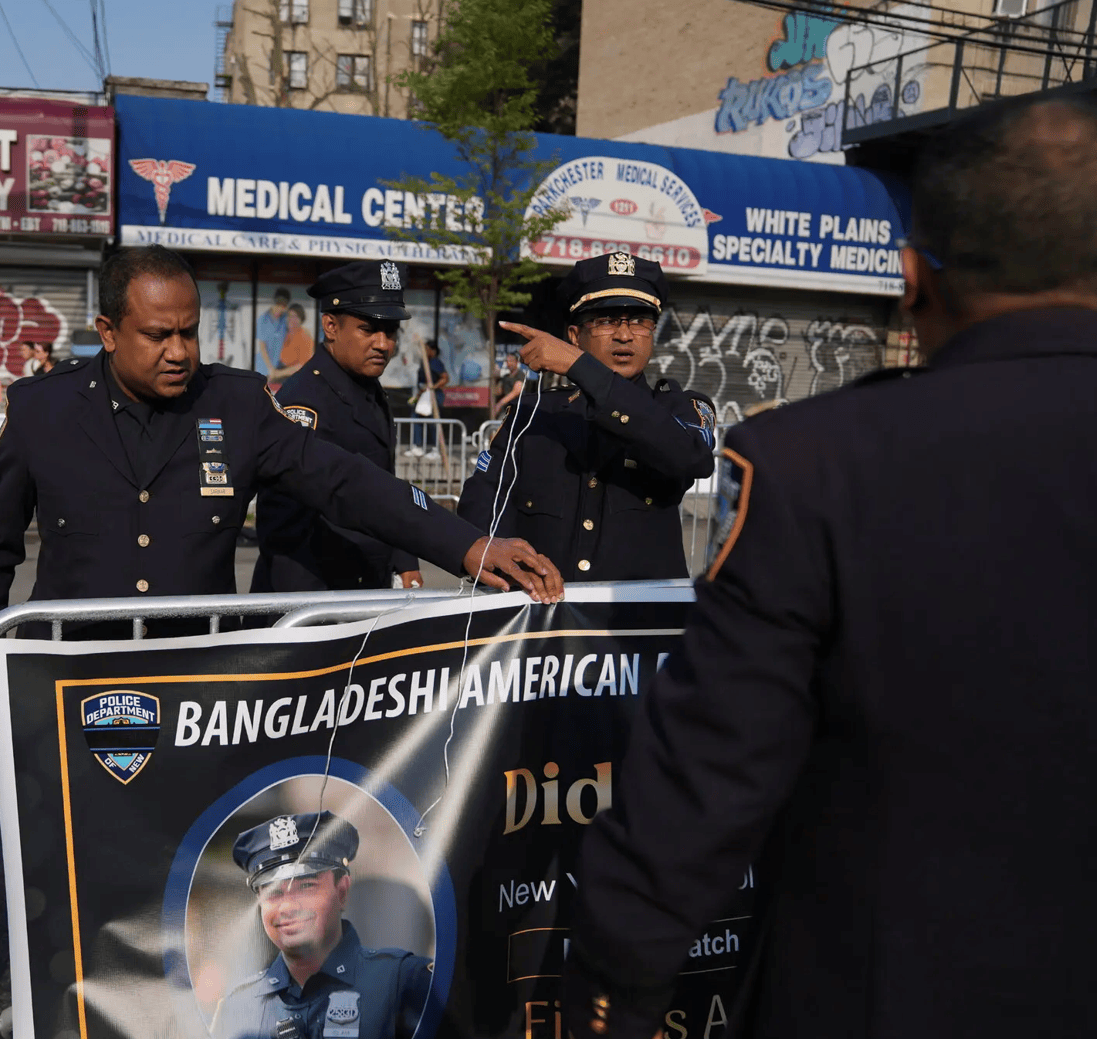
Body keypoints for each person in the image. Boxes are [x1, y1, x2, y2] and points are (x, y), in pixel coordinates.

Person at [558, 96, 1097, 1039]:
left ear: (911, 277)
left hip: (886, 990)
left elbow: (709, 770)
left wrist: (610, 990)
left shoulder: (815, 466)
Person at [0, 245, 563, 630]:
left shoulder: (235, 402)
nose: (178, 352)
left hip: (199, 674)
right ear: (108, 331)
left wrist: (467, 544)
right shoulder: (44, 409)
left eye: (189, 333)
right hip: (72, 667)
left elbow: (345, 482)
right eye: (158, 335)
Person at [456, 253, 716, 581]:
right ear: (575, 337)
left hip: (641, 624)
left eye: (639, 321)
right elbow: (484, 505)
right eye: (606, 321)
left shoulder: (679, 408)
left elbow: (693, 459)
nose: (624, 335)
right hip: (541, 618)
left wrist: (581, 368)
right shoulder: (534, 413)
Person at [252, 260, 424, 592]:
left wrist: (404, 560)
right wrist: (310, 618)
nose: (383, 344)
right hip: (317, 596)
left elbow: (384, 484)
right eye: (368, 329)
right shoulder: (305, 399)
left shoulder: (366, 387)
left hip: (360, 586)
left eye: (390, 331)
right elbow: (285, 523)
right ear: (331, 326)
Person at [212, 812, 432, 1039]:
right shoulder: (237, 1008)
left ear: (342, 891)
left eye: (306, 885)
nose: (287, 906)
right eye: (273, 892)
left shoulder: (404, 982)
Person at [407, 340, 448, 459]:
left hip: (433, 396)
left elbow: (445, 378)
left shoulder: (435, 362)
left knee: (433, 422)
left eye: (426, 349)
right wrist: (418, 395)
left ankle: (436, 449)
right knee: (416, 417)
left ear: (432, 351)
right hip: (423, 395)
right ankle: (417, 446)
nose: (423, 351)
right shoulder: (425, 362)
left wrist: (432, 387)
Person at [256, 287, 292, 377]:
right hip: (263, 368)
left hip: (278, 369)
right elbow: (262, 347)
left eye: (283, 306)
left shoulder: (285, 319)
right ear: (274, 303)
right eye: (278, 304)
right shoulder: (263, 319)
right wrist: (270, 368)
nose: (280, 308)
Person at [278, 303, 315, 375]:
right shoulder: (286, 334)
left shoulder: (305, 337)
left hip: (296, 376)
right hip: (282, 369)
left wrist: (278, 374)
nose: (292, 319)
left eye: (295, 317)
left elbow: (303, 365)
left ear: (301, 319)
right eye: (289, 316)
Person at [491, 351, 528, 419]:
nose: (509, 363)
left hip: (518, 409)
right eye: (507, 361)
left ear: (517, 362)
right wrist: (495, 378)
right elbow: (498, 391)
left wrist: (499, 404)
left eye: (511, 361)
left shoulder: (520, 375)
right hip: (506, 409)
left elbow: (516, 391)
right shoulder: (505, 377)